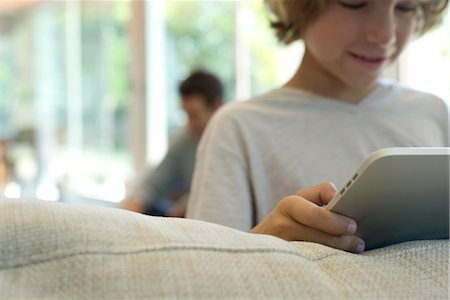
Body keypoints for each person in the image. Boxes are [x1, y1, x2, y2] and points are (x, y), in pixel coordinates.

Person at [186, 0, 449, 253]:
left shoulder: (432, 112)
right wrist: (265, 242)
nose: (384, 35)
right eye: (354, 4)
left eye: (406, 7)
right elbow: (207, 273)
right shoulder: (239, 127)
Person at [121, 70, 224, 216]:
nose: (189, 123)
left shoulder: (231, 142)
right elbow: (154, 183)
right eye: (186, 114)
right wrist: (131, 209)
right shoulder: (186, 139)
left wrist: (185, 203)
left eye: (194, 115)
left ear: (217, 106)